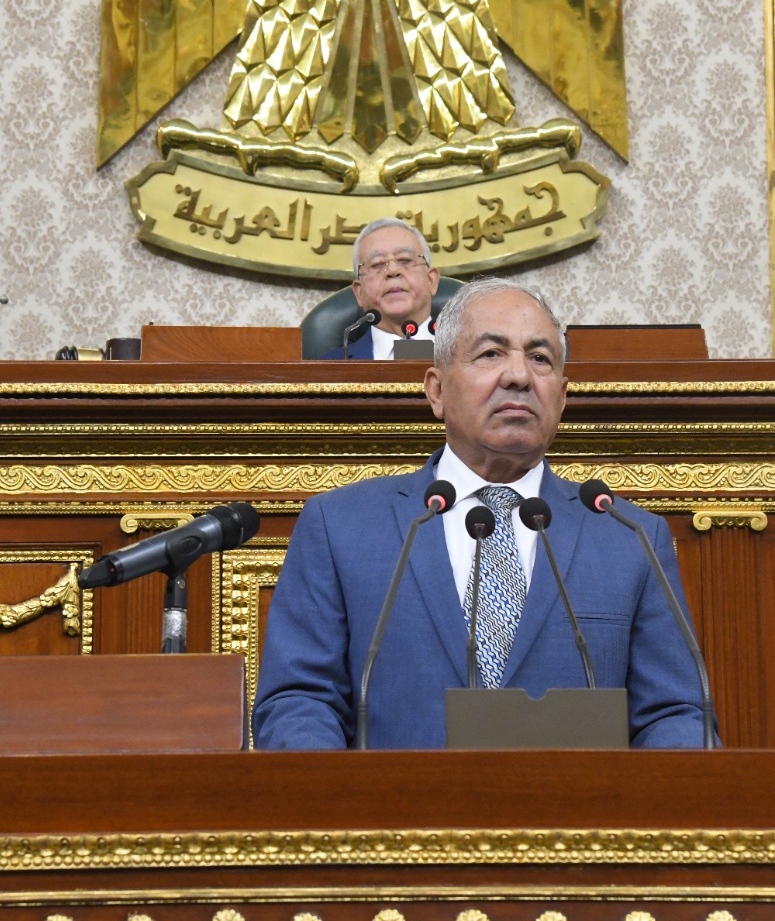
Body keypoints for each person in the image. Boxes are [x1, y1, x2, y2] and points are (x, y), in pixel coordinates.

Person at [254, 278, 707, 749]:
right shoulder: (340, 526)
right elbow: (299, 701)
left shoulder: (628, 536)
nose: (519, 376)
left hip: (578, 799)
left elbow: (674, 714)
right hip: (395, 798)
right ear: (437, 391)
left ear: (562, 397)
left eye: (540, 358)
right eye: (491, 354)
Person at [318, 218, 441, 359]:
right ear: (359, 293)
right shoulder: (329, 368)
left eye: (405, 260)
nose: (392, 271)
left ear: (431, 281)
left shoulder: (462, 354)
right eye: (377, 264)